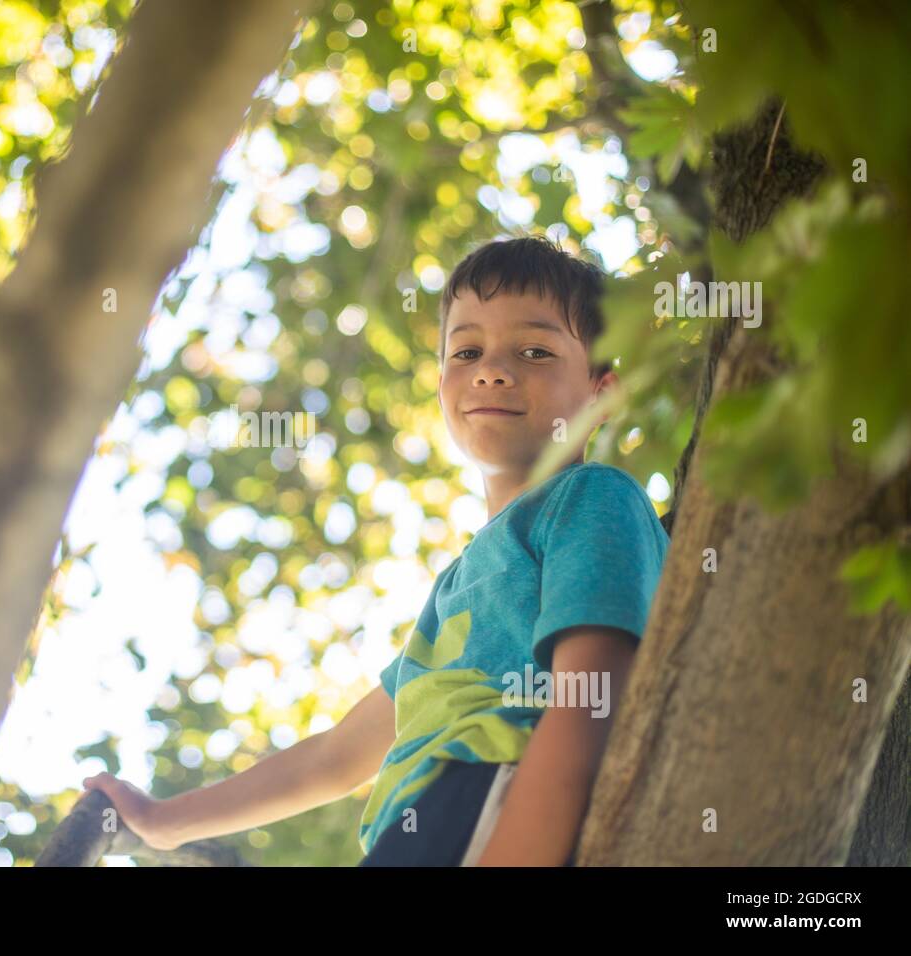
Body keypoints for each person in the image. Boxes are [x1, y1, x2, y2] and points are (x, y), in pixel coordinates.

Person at [82, 236, 670, 866]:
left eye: (535, 350)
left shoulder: (591, 498)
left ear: (603, 392)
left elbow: (593, 691)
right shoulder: (460, 581)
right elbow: (336, 758)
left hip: (493, 792)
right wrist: (165, 820)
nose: (492, 369)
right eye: (467, 350)